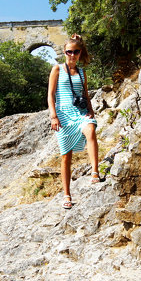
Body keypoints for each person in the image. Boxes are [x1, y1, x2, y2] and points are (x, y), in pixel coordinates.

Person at [48, 34, 101, 210]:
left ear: (80, 53)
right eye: (69, 51)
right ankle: (67, 195)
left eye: (76, 51)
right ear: (64, 52)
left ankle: (95, 172)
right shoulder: (57, 69)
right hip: (63, 115)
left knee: (91, 129)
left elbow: (85, 95)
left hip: (80, 113)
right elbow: (51, 94)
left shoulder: (82, 72)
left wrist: (91, 113)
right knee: (66, 157)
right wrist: (53, 116)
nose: (72, 55)